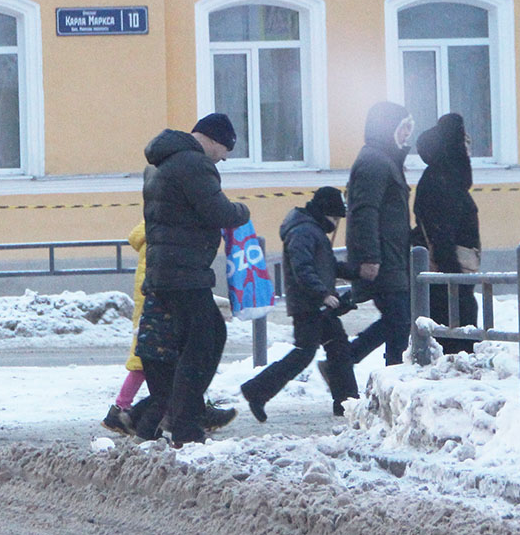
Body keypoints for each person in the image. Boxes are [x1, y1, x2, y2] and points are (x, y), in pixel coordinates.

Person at [139, 113, 250, 446]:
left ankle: (159, 419)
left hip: (166, 268)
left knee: (199, 338)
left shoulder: (162, 163)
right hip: (184, 271)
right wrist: (243, 211)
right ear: (213, 139)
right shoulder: (194, 164)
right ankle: (185, 425)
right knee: (203, 342)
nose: (224, 157)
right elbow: (219, 212)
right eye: (225, 149)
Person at [240, 187, 359, 421]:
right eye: (334, 217)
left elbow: (327, 266)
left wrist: (356, 272)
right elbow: (302, 268)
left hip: (316, 304)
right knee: (304, 353)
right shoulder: (304, 231)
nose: (335, 223)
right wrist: (323, 293)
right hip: (310, 305)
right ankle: (256, 390)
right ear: (325, 212)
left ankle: (347, 402)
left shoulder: (311, 230)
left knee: (338, 348)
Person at [346, 102, 416, 367]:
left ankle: (349, 362)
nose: (407, 134)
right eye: (403, 127)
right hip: (383, 259)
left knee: (398, 322)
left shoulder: (383, 160)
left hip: (391, 257)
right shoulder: (375, 162)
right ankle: (346, 361)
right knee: (399, 320)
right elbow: (365, 212)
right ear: (388, 128)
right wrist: (370, 257)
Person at [414, 113, 480, 355]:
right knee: (456, 340)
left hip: (451, 278)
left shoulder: (444, 177)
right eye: (465, 140)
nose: (468, 146)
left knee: (458, 337)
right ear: (454, 144)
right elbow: (442, 235)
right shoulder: (442, 180)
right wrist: (455, 282)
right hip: (448, 280)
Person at [101, 218, 149, 434]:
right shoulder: (159, 236)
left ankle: (121, 410)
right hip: (152, 307)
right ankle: (121, 410)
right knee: (144, 363)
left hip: (148, 306)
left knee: (146, 363)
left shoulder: (152, 232)